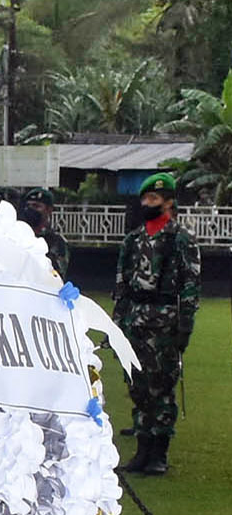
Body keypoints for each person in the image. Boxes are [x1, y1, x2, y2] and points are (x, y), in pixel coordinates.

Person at [116, 174, 198, 477]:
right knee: (137, 386)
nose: (147, 203)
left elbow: (190, 284)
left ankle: (158, 452)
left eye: (154, 198)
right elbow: (122, 284)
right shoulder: (133, 240)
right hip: (135, 321)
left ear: (168, 202)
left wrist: (184, 326)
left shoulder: (180, 239)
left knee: (161, 388)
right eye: (145, 198)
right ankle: (142, 449)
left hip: (165, 323)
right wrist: (117, 324)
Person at [14, 190, 68, 278]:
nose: (30, 209)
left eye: (36, 206)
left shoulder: (56, 241)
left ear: (49, 210)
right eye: (28, 206)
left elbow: (58, 275)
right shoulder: (18, 235)